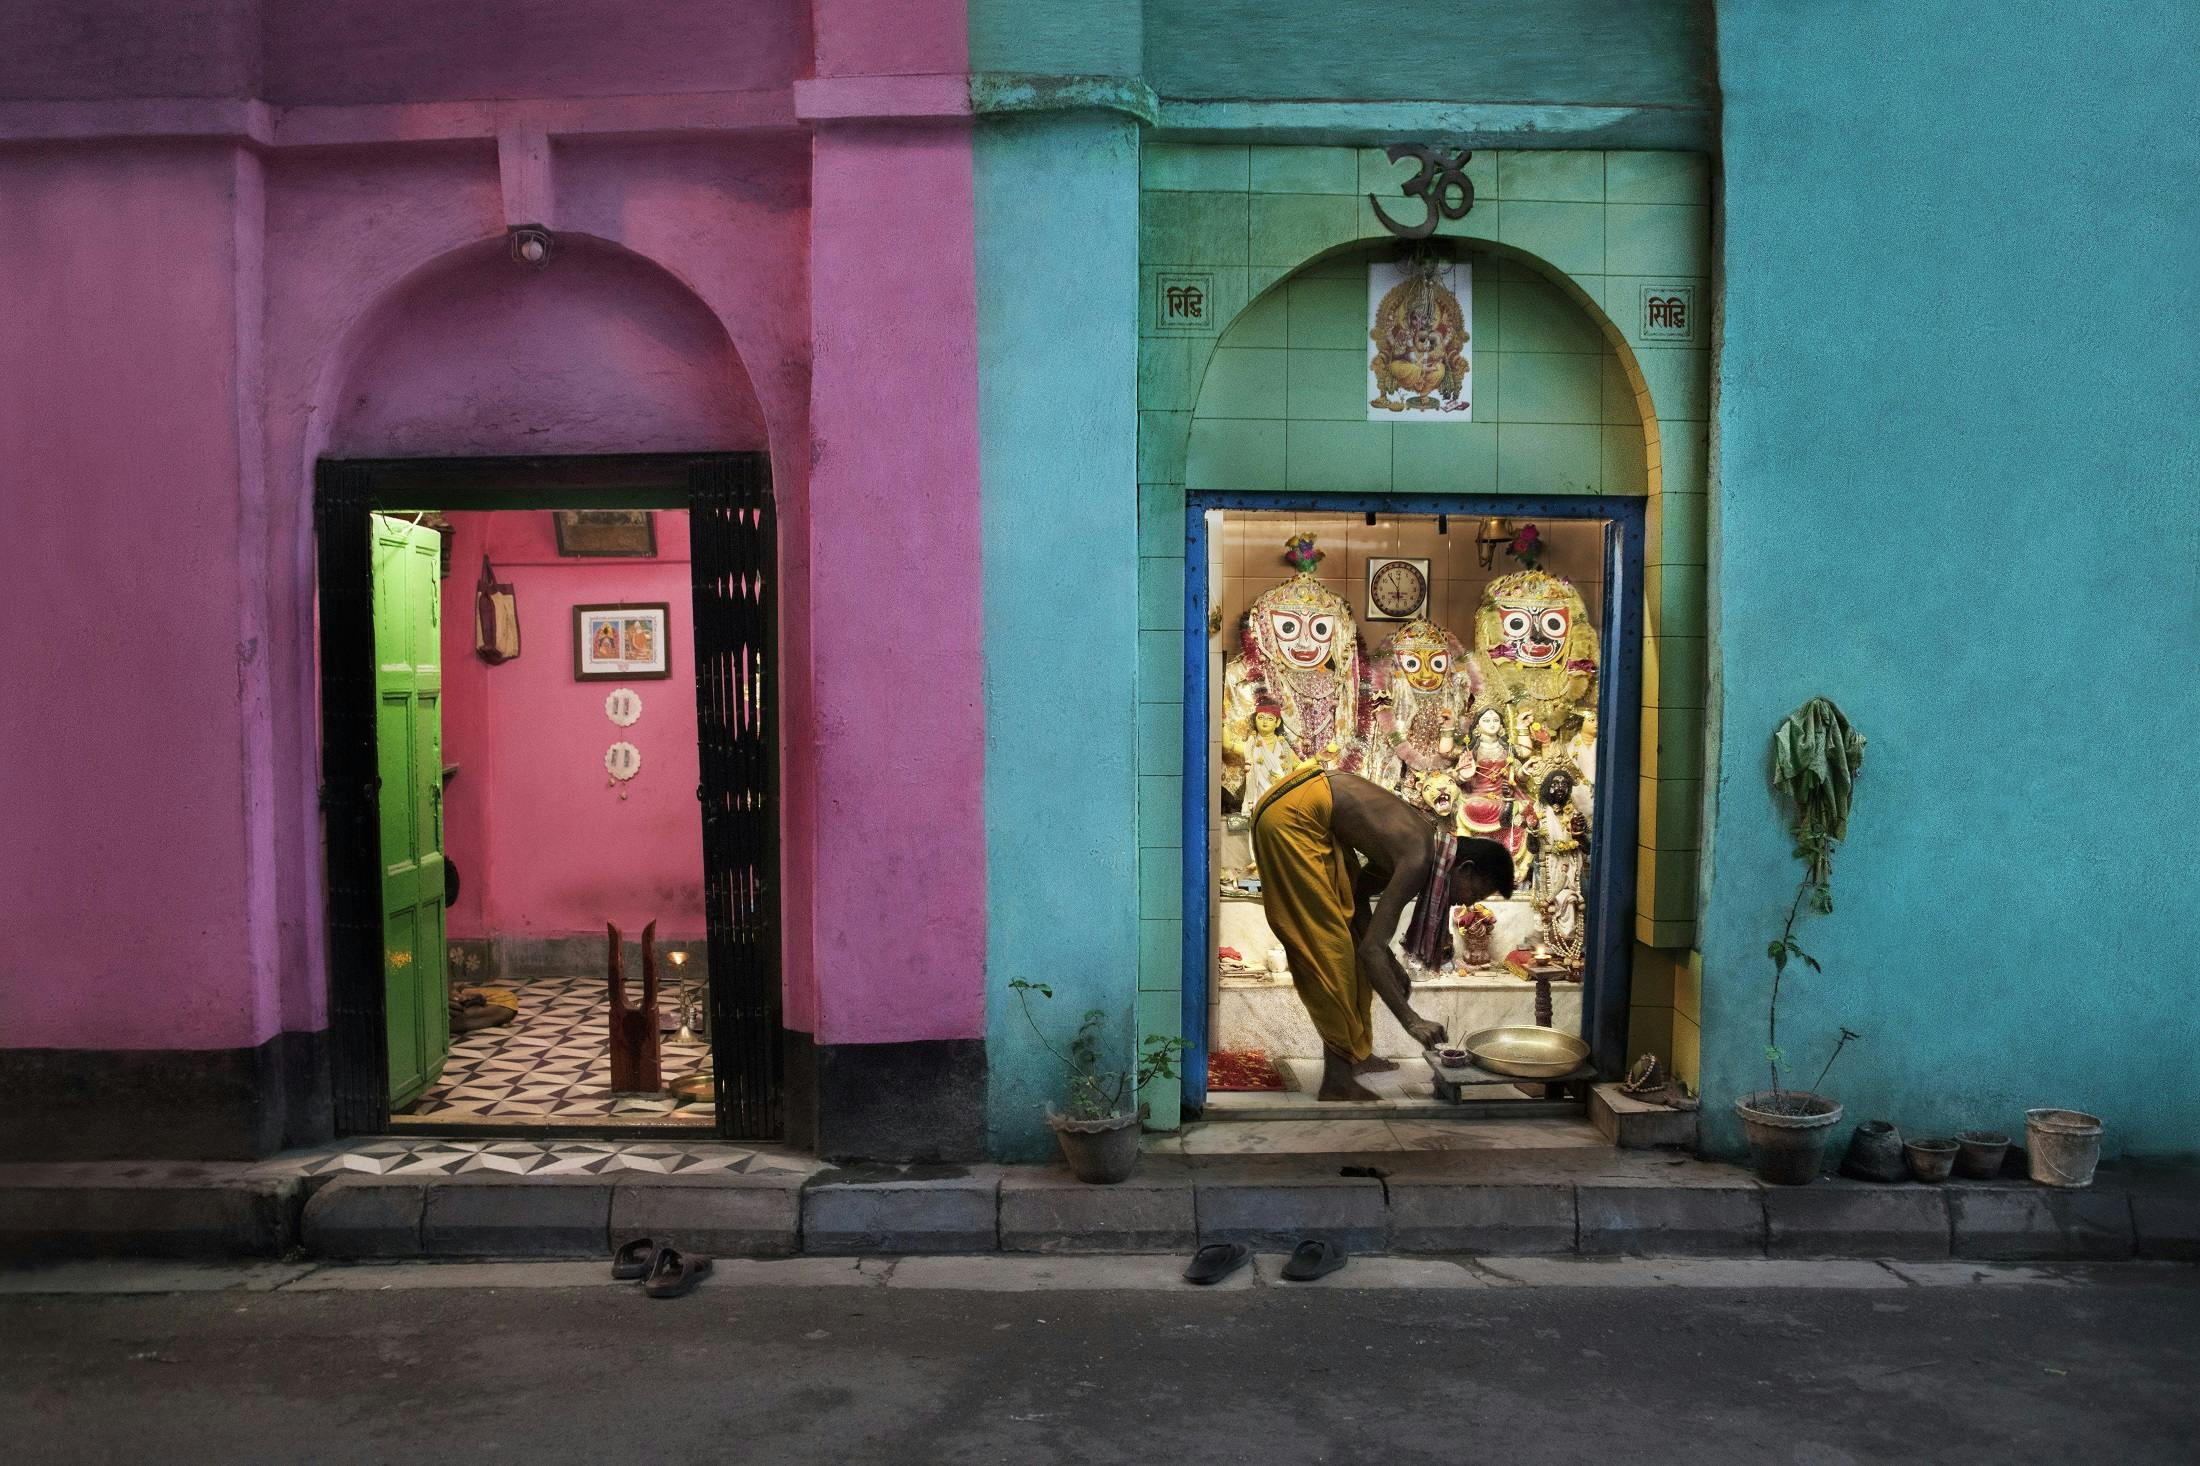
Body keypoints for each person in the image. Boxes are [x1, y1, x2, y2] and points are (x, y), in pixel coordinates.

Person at [1250, 765, 1515, 1102]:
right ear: (1465, 868)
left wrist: (1388, 963)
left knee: (1351, 945)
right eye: (1475, 893)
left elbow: (1360, 897)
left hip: (1306, 807)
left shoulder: (1424, 845)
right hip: (1292, 817)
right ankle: (1337, 1081)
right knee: (1333, 954)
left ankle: (1356, 1057)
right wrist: (1412, 1020)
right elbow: (1369, 950)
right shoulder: (1419, 856)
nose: (1467, 902)